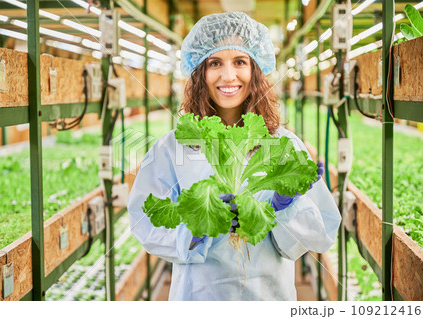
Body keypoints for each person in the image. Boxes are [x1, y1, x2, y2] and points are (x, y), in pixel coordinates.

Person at [127, 11, 341, 301]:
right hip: (200, 296)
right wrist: (193, 230)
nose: (228, 76)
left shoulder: (282, 144)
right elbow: (145, 218)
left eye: (240, 62)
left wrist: (286, 208)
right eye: (215, 63)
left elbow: (321, 232)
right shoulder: (174, 147)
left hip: (269, 296)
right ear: (200, 71)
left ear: (255, 69)